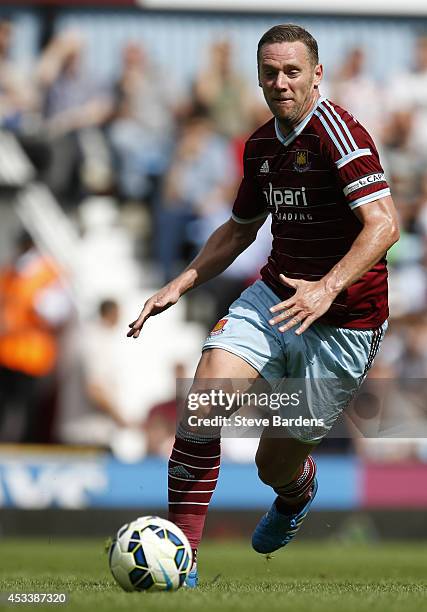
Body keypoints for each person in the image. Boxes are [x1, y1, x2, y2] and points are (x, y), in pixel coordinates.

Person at [127, 24, 399, 587]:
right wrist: (181, 283)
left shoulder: (340, 135)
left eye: (292, 71)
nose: (281, 82)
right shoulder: (259, 146)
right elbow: (239, 230)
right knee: (204, 405)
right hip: (274, 298)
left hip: (344, 324)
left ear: (317, 74)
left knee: (272, 465)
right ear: (258, 77)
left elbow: (385, 225)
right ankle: (185, 562)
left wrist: (326, 288)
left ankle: (296, 489)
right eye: (270, 72)